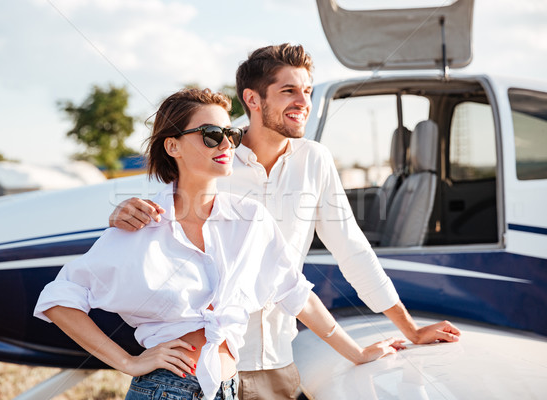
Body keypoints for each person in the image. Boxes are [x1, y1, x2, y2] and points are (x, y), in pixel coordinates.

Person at [109, 44, 461, 400]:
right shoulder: (213, 155)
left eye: (307, 91)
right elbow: (161, 217)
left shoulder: (316, 160)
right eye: (289, 90)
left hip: (276, 360)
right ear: (253, 99)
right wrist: (124, 212)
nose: (303, 101)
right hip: (200, 365)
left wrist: (410, 331)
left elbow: (351, 250)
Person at [34, 88, 405, 400]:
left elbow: (296, 294)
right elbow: (60, 299)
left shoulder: (251, 219)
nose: (227, 142)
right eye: (211, 134)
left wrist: (357, 354)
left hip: (228, 388)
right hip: (167, 390)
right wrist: (129, 362)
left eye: (232, 133)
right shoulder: (141, 224)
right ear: (173, 146)